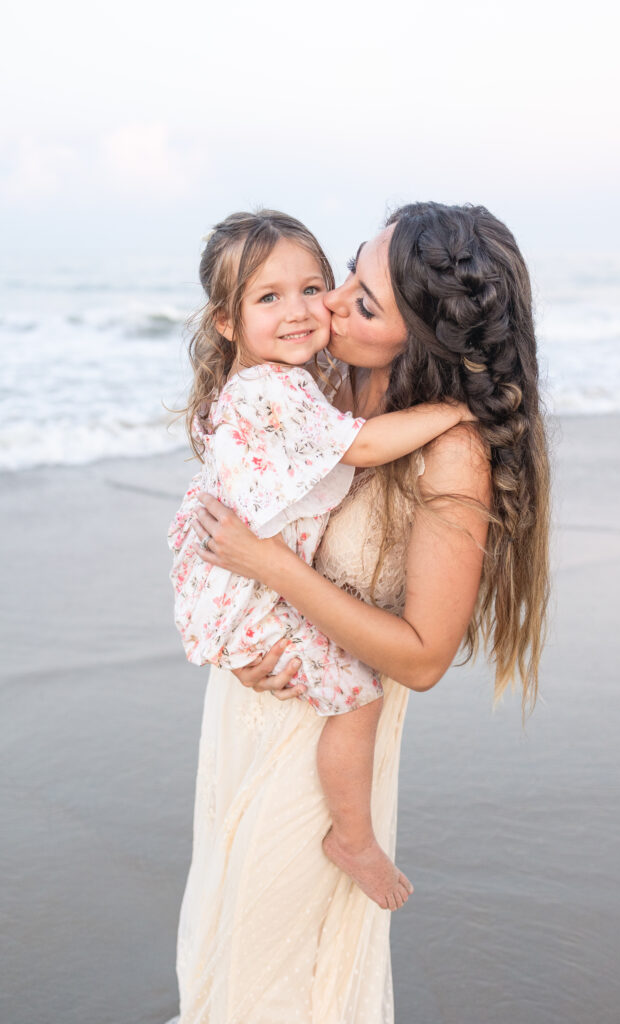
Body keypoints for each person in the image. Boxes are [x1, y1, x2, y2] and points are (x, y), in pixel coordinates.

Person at [167, 202, 551, 1024]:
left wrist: (265, 567)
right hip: (254, 700)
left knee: (279, 969)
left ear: (424, 336)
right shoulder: (317, 383)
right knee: (228, 942)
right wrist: (234, 619)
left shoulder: (448, 451)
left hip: (327, 736)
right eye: (344, 272)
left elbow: (419, 659)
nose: (329, 303)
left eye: (362, 300)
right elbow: (229, 514)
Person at [168, 210, 473, 911]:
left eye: (314, 287)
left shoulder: (286, 382)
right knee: (359, 696)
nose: (304, 311)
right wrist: (452, 413)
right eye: (268, 298)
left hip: (245, 591)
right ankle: (353, 839)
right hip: (249, 593)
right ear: (224, 322)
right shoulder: (273, 392)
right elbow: (360, 446)